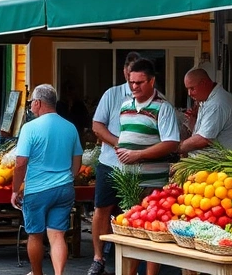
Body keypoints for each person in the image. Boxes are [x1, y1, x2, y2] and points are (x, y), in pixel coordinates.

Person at [116, 58, 181, 275]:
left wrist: (138, 154)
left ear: (152, 81)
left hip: (152, 183)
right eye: (131, 82)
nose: (134, 87)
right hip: (128, 182)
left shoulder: (163, 108)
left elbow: (171, 143)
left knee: (152, 233)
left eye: (140, 82)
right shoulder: (125, 106)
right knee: (131, 233)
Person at [11, 84, 83, 275]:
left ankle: (37, 273)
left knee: (35, 235)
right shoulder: (70, 127)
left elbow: (20, 163)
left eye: (31, 103)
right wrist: (69, 177)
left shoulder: (29, 128)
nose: (30, 106)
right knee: (57, 235)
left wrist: (15, 189)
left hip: (37, 190)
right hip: (64, 188)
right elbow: (77, 161)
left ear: (37, 103)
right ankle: (59, 273)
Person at [87, 51, 142, 275]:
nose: (133, 81)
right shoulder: (112, 94)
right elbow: (97, 126)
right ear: (124, 72)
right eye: (130, 75)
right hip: (110, 162)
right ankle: (98, 258)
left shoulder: (153, 97)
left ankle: (133, 261)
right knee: (102, 209)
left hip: (138, 166)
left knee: (134, 212)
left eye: (138, 77)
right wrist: (118, 143)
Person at [178, 67, 232, 155]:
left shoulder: (217, 104)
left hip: (223, 165)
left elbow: (203, 139)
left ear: (203, 83)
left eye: (192, 88)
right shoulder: (209, 100)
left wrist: (176, 148)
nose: (189, 93)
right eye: (187, 89)